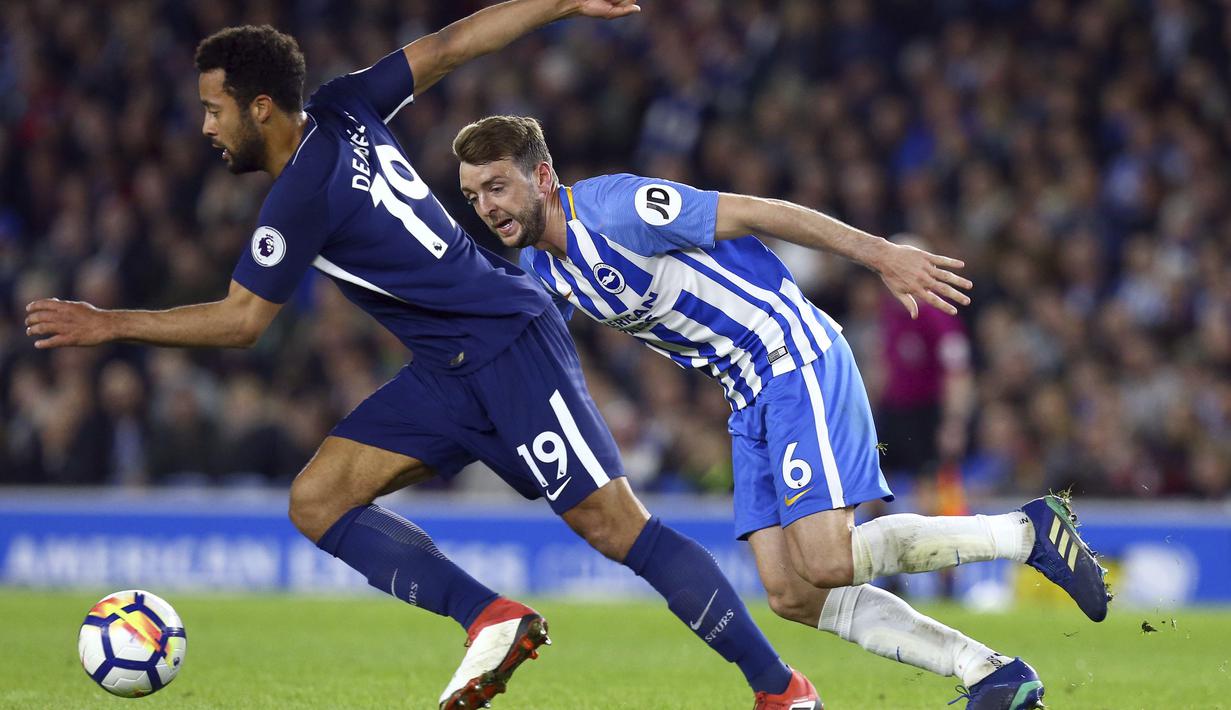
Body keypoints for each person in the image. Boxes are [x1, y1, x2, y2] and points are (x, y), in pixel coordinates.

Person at [23, 5, 822, 710]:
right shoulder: (343, 105)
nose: (205, 128)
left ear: (259, 108)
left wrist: (108, 323)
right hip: (448, 367)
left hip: (508, 343)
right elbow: (447, 46)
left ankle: (780, 689)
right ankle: (490, 617)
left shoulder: (300, 196)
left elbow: (240, 323)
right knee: (318, 500)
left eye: (212, 109)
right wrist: (559, 3)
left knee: (618, 530)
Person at [452, 114, 1114, 710]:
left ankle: (1026, 534)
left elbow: (758, 212)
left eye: (498, 187)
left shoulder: (617, 207)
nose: (487, 207)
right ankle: (991, 675)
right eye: (474, 196)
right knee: (792, 593)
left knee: (826, 559)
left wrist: (880, 254)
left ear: (541, 176)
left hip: (790, 357)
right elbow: (533, 357)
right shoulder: (543, 272)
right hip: (744, 395)